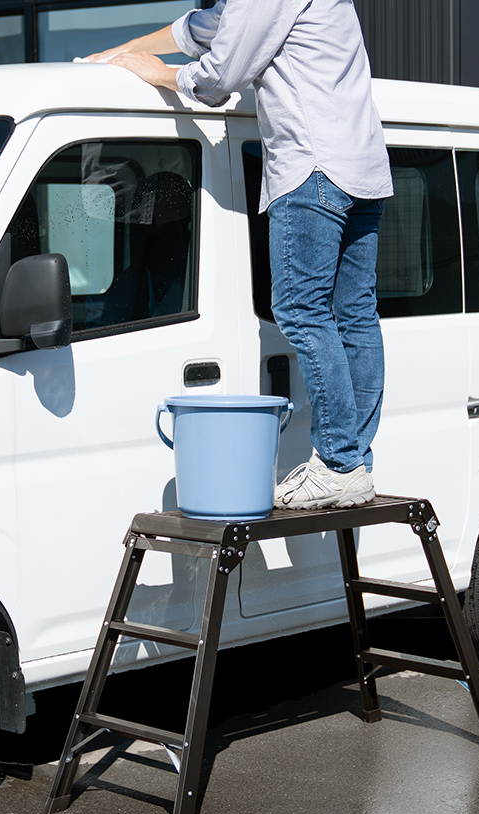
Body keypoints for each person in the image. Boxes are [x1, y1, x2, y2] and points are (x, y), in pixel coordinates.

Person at [86, 0, 393, 510]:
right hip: (362, 165)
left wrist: (161, 76)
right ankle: (355, 460)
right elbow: (202, 27)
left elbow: (221, 75)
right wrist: (122, 53)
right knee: (354, 314)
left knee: (301, 309)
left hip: (313, 167)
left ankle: (339, 462)